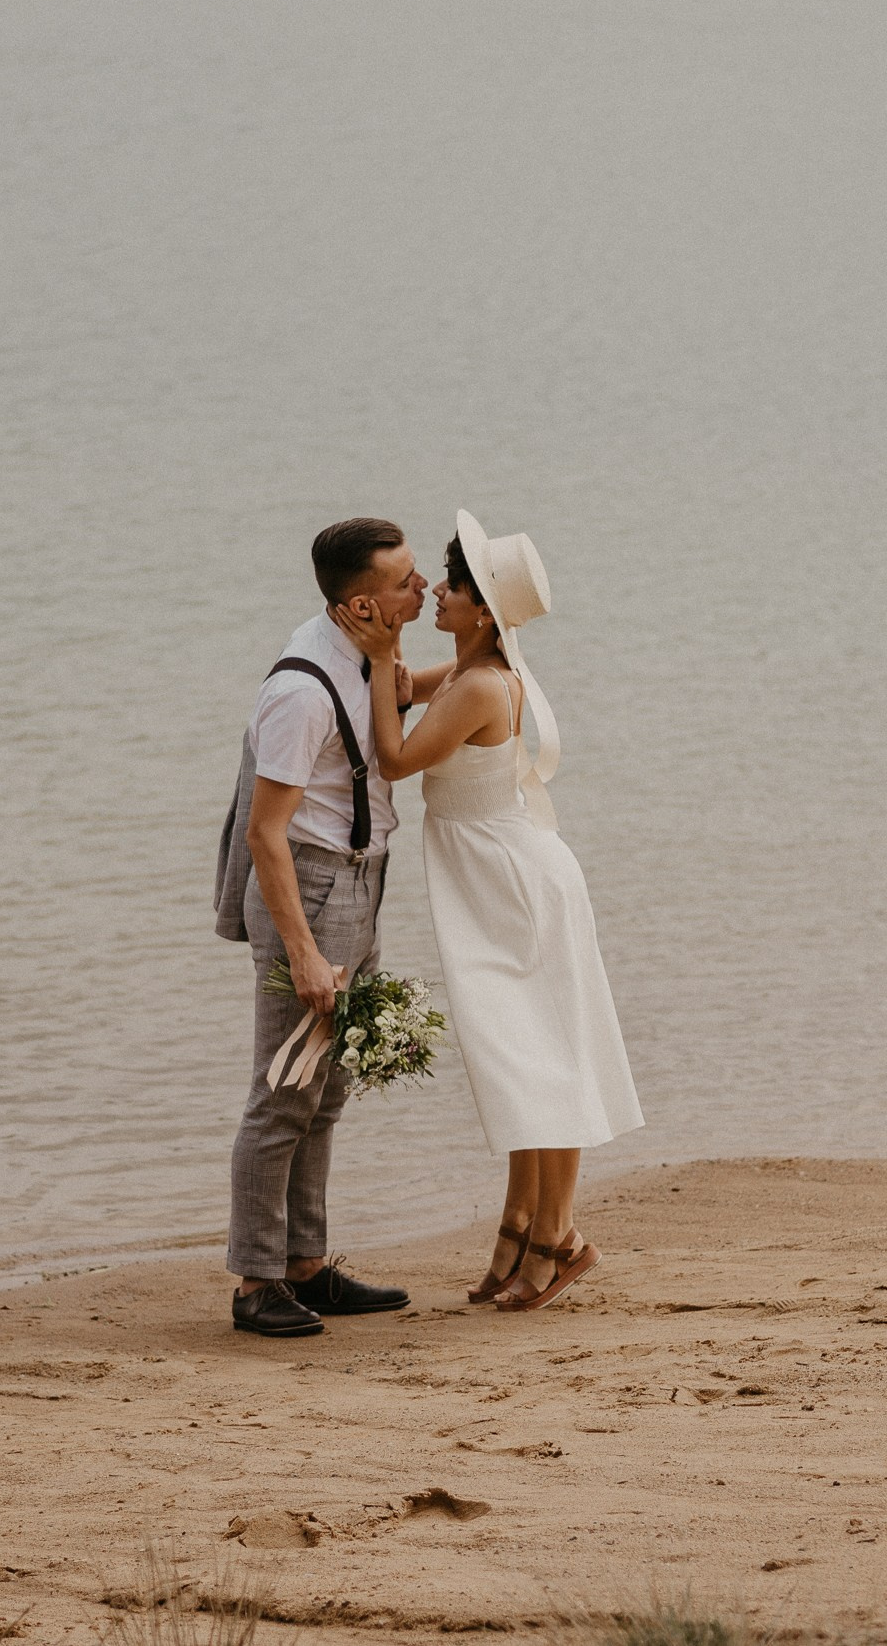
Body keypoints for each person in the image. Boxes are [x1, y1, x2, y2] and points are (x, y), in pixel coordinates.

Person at [334, 511, 642, 1312]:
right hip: (503, 878)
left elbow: (396, 758)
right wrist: (386, 648)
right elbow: (401, 693)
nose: (439, 590)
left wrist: (375, 657)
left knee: (542, 1060)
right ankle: (520, 1226)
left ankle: (557, 1239)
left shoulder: (478, 684)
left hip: (513, 885)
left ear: (482, 610)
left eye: (456, 585)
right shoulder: (473, 669)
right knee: (520, 1060)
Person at [214, 518, 428, 1337]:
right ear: (364, 603)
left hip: (363, 878)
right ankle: (255, 1282)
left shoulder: (365, 650)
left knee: (328, 1087)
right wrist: (302, 949)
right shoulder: (300, 693)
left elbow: (400, 696)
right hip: (310, 887)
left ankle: (306, 1264)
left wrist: (494, 667)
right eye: (409, 581)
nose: (426, 590)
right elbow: (266, 832)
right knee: (283, 1093)